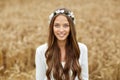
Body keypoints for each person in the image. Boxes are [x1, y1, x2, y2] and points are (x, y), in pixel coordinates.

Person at [35, 8, 89, 80]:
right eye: (57, 25)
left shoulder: (82, 49)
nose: (61, 30)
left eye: (65, 25)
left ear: (71, 28)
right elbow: (40, 78)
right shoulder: (41, 51)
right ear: (52, 28)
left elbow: (84, 78)